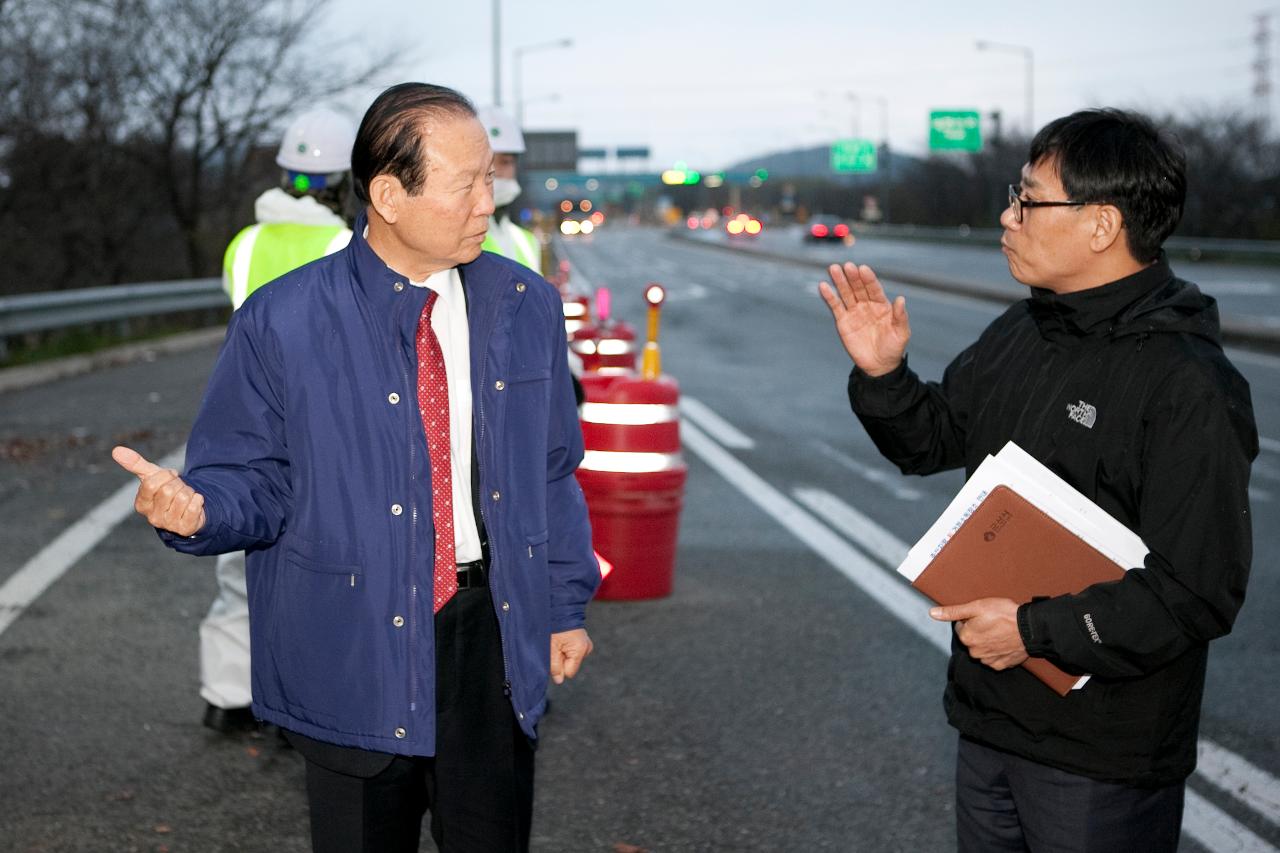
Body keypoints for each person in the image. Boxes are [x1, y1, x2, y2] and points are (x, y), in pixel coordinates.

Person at [113, 82, 599, 853]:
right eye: (466, 183)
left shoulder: (524, 303)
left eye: (491, 179)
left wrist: (565, 602)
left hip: (492, 631)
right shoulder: (282, 319)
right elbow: (252, 475)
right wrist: (201, 510)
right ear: (388, 195)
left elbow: (550, 470)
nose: (489, 200)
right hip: (350, 635)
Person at [819, 109, 1256, 853]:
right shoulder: (1025, 330)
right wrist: (884, 374)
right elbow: (932, 441)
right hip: (990, 716)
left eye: (1028, 199)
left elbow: (1197, 589)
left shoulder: (1187, 382)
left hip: (1103, 756)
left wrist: (1032, 631)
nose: (1006, 215)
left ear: (1101, 225)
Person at [202, 107, 357, 736]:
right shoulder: (344, 246)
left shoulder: (244, 244)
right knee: (316, 568)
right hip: (320, 427)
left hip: (246, 414)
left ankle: (225, 695)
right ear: (346, 180)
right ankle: (303, 709)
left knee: (238, 561)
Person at [477, 105, 542, 273]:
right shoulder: (454, 239)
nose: (496, 171)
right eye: (489, 162)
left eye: (505, 162)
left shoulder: (527, 241)